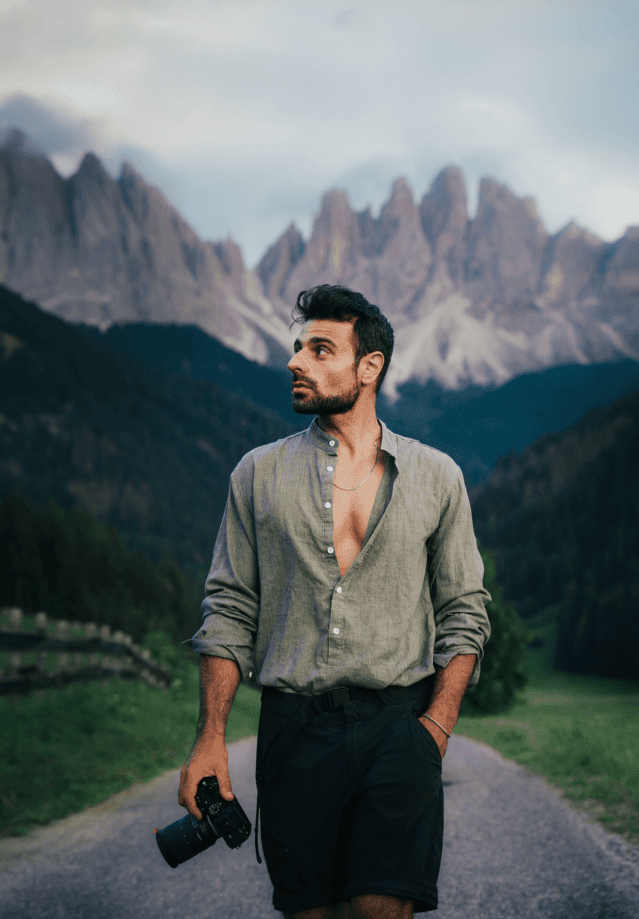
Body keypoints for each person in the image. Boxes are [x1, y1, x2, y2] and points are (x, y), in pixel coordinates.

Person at [180, 284, 492, 918]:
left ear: (369, 367)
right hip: (295, 731)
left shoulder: (439, 476)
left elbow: (465, 610)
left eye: (321, 349)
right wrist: (210, 739)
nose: (297, 362)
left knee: (384, 910)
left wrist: (435, 727)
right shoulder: (255, 475)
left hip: (399, 727)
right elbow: (230, 609)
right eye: (297, 348)